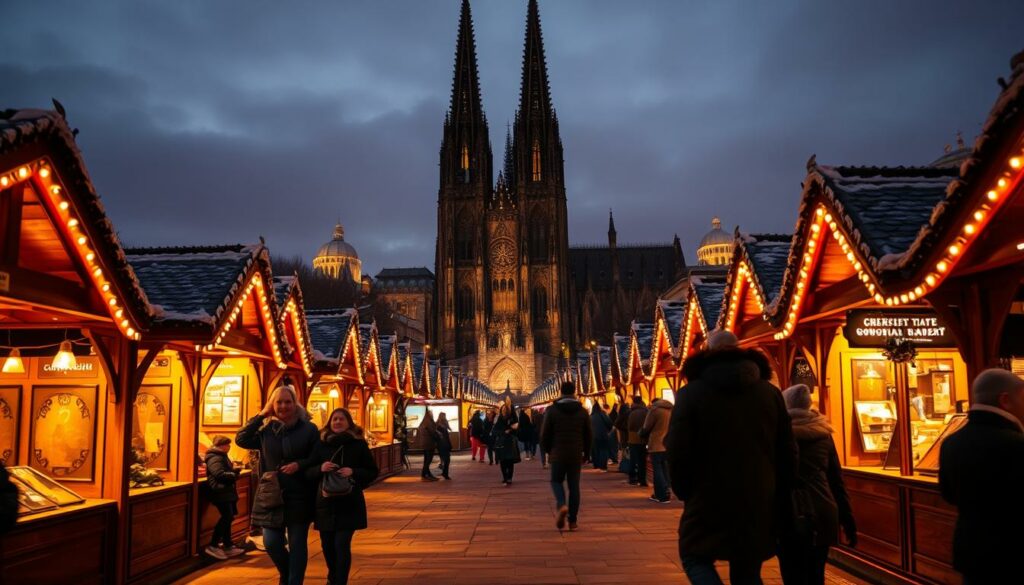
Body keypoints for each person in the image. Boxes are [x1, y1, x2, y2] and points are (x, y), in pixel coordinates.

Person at [665, 330, 797, 585]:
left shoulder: (691, 393)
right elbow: (788, 449)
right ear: (739, 349)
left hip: (707, 494)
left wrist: (683, 489)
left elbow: (678, 448)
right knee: (747, 567)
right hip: (758, 494)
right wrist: (780, 490)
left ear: (708, 351)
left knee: (694, 556)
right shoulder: (769, 393)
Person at [940, 368, 1024, 584]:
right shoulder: (1016, 444)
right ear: (1005, 400)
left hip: (970, 550)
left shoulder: (951, 442)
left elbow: (948, 495)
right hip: (1012, 556)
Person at [236, 384, 320, 585]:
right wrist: (262, 414)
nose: (283, 406)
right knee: (271, 542)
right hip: (271, 494)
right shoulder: (267, 430)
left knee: (297, 544)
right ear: (272, 405)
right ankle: (286, 572)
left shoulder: (309, 428)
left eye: (287, 402)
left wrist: (299, 465)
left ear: (295, 403)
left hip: (299, 493)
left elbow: (317, 456)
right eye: (279, 402)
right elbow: (241, 439)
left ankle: (293, 582)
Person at [777, 384, 856, 585]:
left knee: (792, 572)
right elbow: (836, 481)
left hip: (788, 511)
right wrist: (847, 519)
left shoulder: (779, 435)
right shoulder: (823, 434)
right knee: (816, 572)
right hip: (822, 510)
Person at [307, 408, 378, 585]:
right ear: (329, 423)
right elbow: (307, 471)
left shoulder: (358, 444)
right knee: (327, 545)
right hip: (325, 503)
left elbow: (372, 471)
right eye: (334, 419)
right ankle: (333, 576)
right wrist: (320, 468)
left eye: (341, 419)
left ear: (349, 423)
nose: (337, 422)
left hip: (349, 503)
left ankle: (340, 582)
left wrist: (353, 471)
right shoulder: (320, 444)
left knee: (341, 544)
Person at [541, 381, 592, 531]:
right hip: (575, 453)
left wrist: (548, 451)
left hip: (557, 453)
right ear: (574, 392)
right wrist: (587, 453)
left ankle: (562, 504)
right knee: (574, 486)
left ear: (561, 392)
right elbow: (589, 435)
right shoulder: (582, 411)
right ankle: (573, 521)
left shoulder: (552, 411)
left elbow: (544, 435)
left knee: (556, 481)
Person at [204, 435, 245, 559]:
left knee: (229, 517)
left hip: (225, 491)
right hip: (220, 491)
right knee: (227, 517)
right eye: (227, 444)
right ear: (221, 445)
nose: (229, 447)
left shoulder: (220, 456)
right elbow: (219, 474)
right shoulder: (215, 457)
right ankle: (213, 545)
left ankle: (228, 545)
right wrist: (235, 474)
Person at [641, 397, 673, 503]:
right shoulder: (671, 409)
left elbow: (647, 426)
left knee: (658, 469)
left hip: (657, 444)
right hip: (668, 443)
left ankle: (662, 494)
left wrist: (641, 433)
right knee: (665, 469)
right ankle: (666, 490)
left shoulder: (654, 410)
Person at [492, 403, 520, 485]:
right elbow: (494, 431)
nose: (504, 411)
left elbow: (517, 430)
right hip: (501, 443)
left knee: (510, 461)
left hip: (510, 443)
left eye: (506, 410)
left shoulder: (513, 419)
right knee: (503, 461)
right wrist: (503, 432)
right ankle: (505, 477)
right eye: (503, 410)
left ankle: (509, 478)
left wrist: (512, 429)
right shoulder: (499, 420)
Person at [626, 396, 649, 486]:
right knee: (642, 461)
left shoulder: (631, 412)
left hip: (633, 439)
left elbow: (630, 426)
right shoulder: (646, 411)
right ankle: (642, 479)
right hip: (643, 439)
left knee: (633, 459)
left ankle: (632, 478)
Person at [589, 402, 613, 471]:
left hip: (593, 437)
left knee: (595, 451)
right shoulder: (603, 415)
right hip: (603, 435)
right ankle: (603, 466)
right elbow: (610, 424)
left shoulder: (590, 416)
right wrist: (608, 431)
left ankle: (596, 465)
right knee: (603, 450)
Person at [417, 410, 439, 481]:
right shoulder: (429, 422)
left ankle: (425, 474)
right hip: (429, 443)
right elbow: (432, 432)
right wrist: (438, 436)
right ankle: (426, 475)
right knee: (428, 460)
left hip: (425, 443)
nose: (432, 415)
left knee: (426, 459)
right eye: (431, 413)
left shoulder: (424, 422)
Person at [436, 412, 453, 480]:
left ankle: (444, 472)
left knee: (445, 459)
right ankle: (445, 473)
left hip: (442, 444)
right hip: (443, 444)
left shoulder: (438, 424)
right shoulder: (441, 425)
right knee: (447, 459)